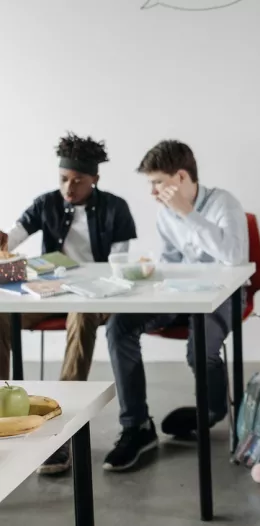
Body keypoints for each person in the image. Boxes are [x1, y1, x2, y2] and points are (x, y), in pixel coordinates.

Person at [102, 140, 248, 472]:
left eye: (157, 182)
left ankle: (211, 411)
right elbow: (171, 261)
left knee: (199, 349)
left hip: (227, 293)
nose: (152, 192)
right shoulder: (165, 214)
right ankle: (136, 426)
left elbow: (235, 259)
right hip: (182, 292)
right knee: (119, 325)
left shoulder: (224, 204)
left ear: (180, 177)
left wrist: (188, 213)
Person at [0, 132, 136, 474]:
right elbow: (12, 238)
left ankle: (61, 426)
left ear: (95, 179)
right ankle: (3, 412)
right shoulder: (44, 203)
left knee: (81, 314)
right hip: (52, 290)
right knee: (1, 318)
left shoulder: (115, 207)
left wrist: (90, 282)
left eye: (78, 181)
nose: (69, 188)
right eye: (63, 179)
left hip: (96, 295)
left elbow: (119, 265)